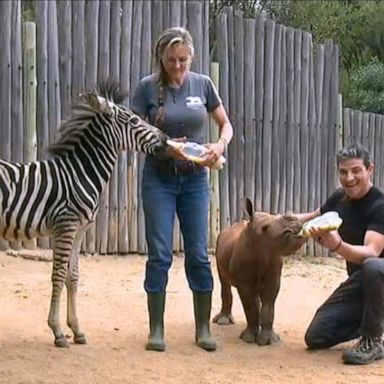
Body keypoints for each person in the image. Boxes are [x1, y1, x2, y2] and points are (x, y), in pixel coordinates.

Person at [130, 27, 233, 352]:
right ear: (161, 56)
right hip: (158, 178)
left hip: (195, 180)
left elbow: (226, 123)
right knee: (159, 254)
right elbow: (134, 134)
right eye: (172, 60)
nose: (177, 66)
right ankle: (156, 329)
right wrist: (166, 146)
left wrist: (219, 144)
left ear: (192, 57)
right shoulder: (147, 88)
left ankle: (203, 328)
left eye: (183, 60)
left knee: (198, 255)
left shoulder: (203, 84)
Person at [296, 143, 384, 365]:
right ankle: (374, 318)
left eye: (356, 170)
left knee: (373, 265)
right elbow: (311, 217)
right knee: (316, 336)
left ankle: (372, 339)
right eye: (343, 172)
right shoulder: (339, 198)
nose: (349, 177)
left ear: (369, 169)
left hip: (378, 277)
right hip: (361, 284)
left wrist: (337, 245)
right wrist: (276, 219)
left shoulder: (379, 205)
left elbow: (371, 252)